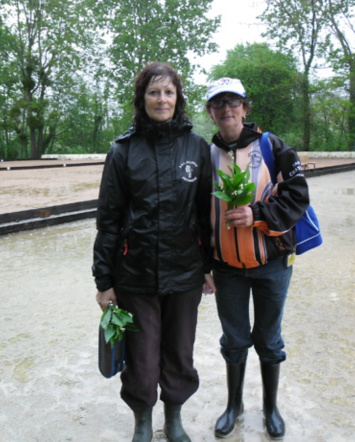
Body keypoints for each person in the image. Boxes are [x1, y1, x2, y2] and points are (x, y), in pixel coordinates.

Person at [93, 62, 215, 442]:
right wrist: (104, 280)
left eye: (168, 92)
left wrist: (209, 266)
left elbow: (205, 215)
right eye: (153, 92)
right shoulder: (123, 150)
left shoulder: (198, 147)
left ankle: (174, 417)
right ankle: (142, 420)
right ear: (141, 98)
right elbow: (109, 218)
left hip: (184, 273)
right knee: (142, 358)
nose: (161, 99)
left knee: (179, 352)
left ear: (178, 99)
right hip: (136, 274)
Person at [205, 78, 310, 440]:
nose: (226, 109)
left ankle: (270, 407)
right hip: (226, 270)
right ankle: (234, 406)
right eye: (218, 104)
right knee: (233, 340)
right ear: (210, 113)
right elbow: (194, 216)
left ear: (245, 108)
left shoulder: (273, 147)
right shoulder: (205, 156)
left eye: (233, 102)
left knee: (269, 340)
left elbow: (297, 197)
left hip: (273, 265)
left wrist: (258, 214)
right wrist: (204, 265)